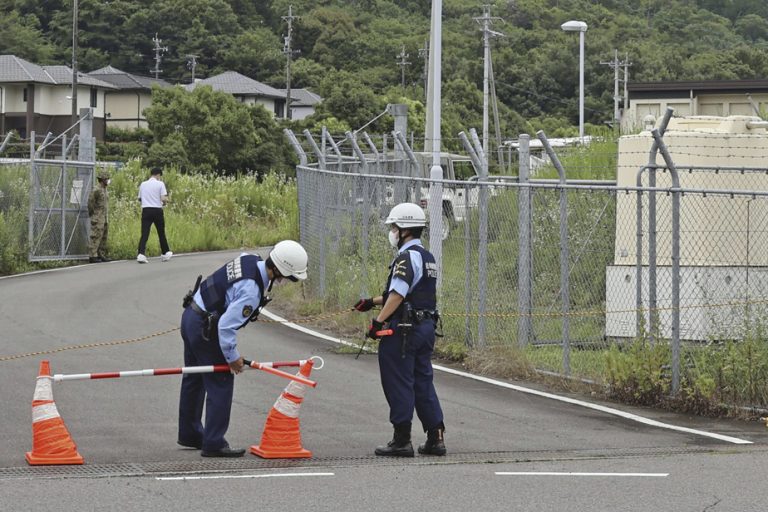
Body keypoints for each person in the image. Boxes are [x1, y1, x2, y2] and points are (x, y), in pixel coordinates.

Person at [177, 240, 308, 457]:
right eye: (288, 277)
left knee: (195, 377)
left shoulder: (249, 259)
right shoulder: (251, 291)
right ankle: (214, 442)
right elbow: (226, 327)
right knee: (221, 381)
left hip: (191, 314)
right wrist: (233, 358)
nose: (286, 281)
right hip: (205, 328)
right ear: (278, 270)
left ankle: (190, 433)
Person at [352, 202, 446, 457]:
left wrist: (378, 322)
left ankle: (402, 439)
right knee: (423, 380)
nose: (392, 231)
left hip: (404, 330)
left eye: (394, 227)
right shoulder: (427, 257)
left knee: (398, 381)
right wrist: (371, 301)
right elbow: (412, 293)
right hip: (426, 326)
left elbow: (398, 294)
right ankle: (436, 436)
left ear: (404, 230)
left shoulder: (405, 257)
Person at [136, 167, 172, 263]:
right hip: (157, 210)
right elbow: (163, 198)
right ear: (158, 175)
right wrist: (167, 200)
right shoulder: (160, 184)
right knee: (161, 233)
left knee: (145, 233)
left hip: (146, 210)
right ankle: (165, 252)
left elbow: (140, 198)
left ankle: (141, 254)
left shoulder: (143, 184)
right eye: (160, 176)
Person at [87, 169, 111, 263]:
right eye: (107, 179)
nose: (108, 181)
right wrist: (93, 214)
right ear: (102, 179)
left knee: (103, 236)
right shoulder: (96, 189)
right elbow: (90, 203)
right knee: (95, 236)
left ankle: (101, 254)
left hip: (104, 217)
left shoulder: (105, 190)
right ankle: (92, 255)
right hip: (97, 217)